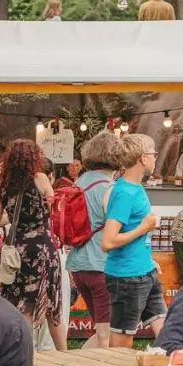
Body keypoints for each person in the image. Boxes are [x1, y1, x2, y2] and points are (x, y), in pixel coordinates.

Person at [0, 140, 64, 353]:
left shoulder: (3, 186)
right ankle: (65, 360)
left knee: (24, 305)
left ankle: (24, 360)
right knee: (52, 307)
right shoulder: (41, 178)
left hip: (18, 248)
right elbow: (51, 206)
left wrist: (13, 215)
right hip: (44, 248)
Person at [102, 133, 164, 347]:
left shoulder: (136, 187)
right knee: (120, 346)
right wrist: (143, 228)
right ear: (142, 158)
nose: (156, 158)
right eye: (153, 153)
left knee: (168, 335)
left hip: (145, 272)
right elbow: (107, 242)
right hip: (127, 278)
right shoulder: (124, 193)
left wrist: (148, 260)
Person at [67, 132, 121, 352]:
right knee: (105, 336)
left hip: (78, 266)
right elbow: (116, 228)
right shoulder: (110, 187)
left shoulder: (78, 182)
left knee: (102, 331)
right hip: (101, 265)